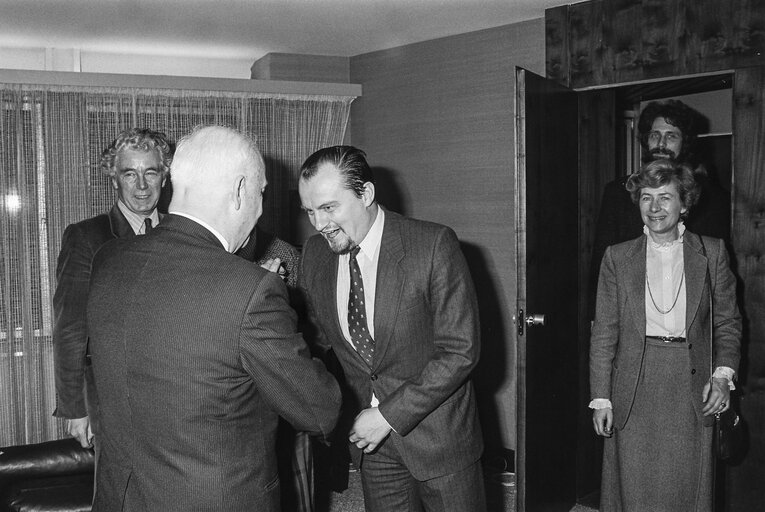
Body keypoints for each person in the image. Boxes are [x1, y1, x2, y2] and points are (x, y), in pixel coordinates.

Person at [86, 125, 341, 511]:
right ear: (240, 190)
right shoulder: (252, 291)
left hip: (119, 498)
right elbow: (319, 412)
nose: (259, 209)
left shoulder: (109, 260)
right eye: (261, 194)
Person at [297, 146, 485, 512]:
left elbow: (460, 351)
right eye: (309, 211)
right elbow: (315, 341)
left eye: (329, 208)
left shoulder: (432, 246)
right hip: (371, 446)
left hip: (439, 438)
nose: (319, 225)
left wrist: (387, 416)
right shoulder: (315, 255)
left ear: (366, 194)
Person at [589, 159, 742, 511]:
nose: (654, 208)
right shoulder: (617, 258)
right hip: (635, 383)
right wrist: (601, 398)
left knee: (686, 488)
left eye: (665, 197)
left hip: (691, 386)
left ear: (684, 204)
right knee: (633, 487)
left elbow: (728, 323)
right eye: (646, 197)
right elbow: (604, 334)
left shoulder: (712, 253)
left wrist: (722, 377)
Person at [53, 128, 173, 448]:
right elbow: (70, 328)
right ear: (114, 179)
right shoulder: (86, 237)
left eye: (151, 172)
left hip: (177, 395)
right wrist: (75, 408)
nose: (142, 185)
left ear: (164, 176)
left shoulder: (184, 235)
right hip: (112, 400)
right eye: (130, 174)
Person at [590, 100, 731, 317]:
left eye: (671, 136)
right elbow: (601, 264)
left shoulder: (712, 197)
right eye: (655, 135)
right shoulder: (617, 192)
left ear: (685, 143)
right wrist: (595, 318)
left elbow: (717, 280)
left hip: (687, 319)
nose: (661, 144)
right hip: (630, 318)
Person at [235, 226, 314, 512]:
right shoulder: (208, 253)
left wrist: (278, 295)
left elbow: (313, 329)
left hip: (281, 380)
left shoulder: (285, 254)